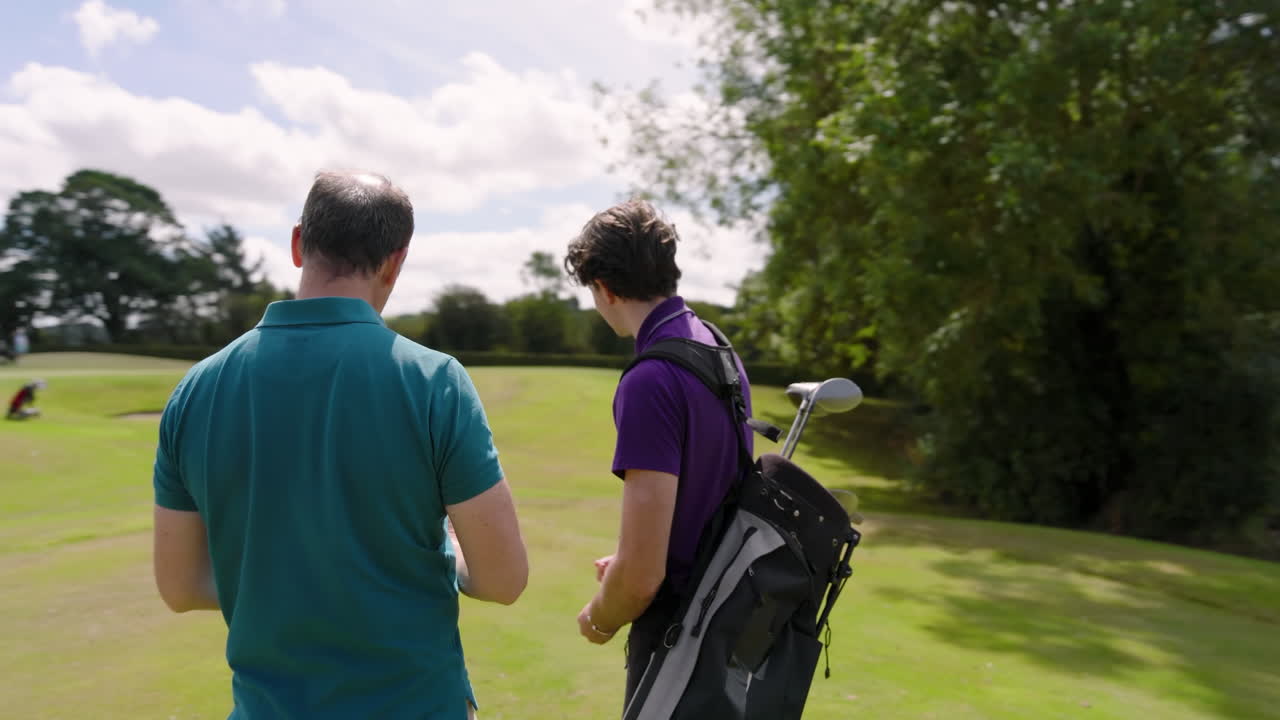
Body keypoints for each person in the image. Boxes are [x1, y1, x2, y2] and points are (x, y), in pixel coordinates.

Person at [151, 170, 527, 720]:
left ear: (298, 243)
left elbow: (181, 587)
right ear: (396, 262)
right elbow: (503, 579)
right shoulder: (435, 382)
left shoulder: (195, 390)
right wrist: (445, 555)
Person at [564, 199, 753, 709]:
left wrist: (599, 617)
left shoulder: (650, 379)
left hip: (680, 641)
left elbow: (642, 579)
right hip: (728, 623)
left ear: (604, 288)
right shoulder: (716, 345)